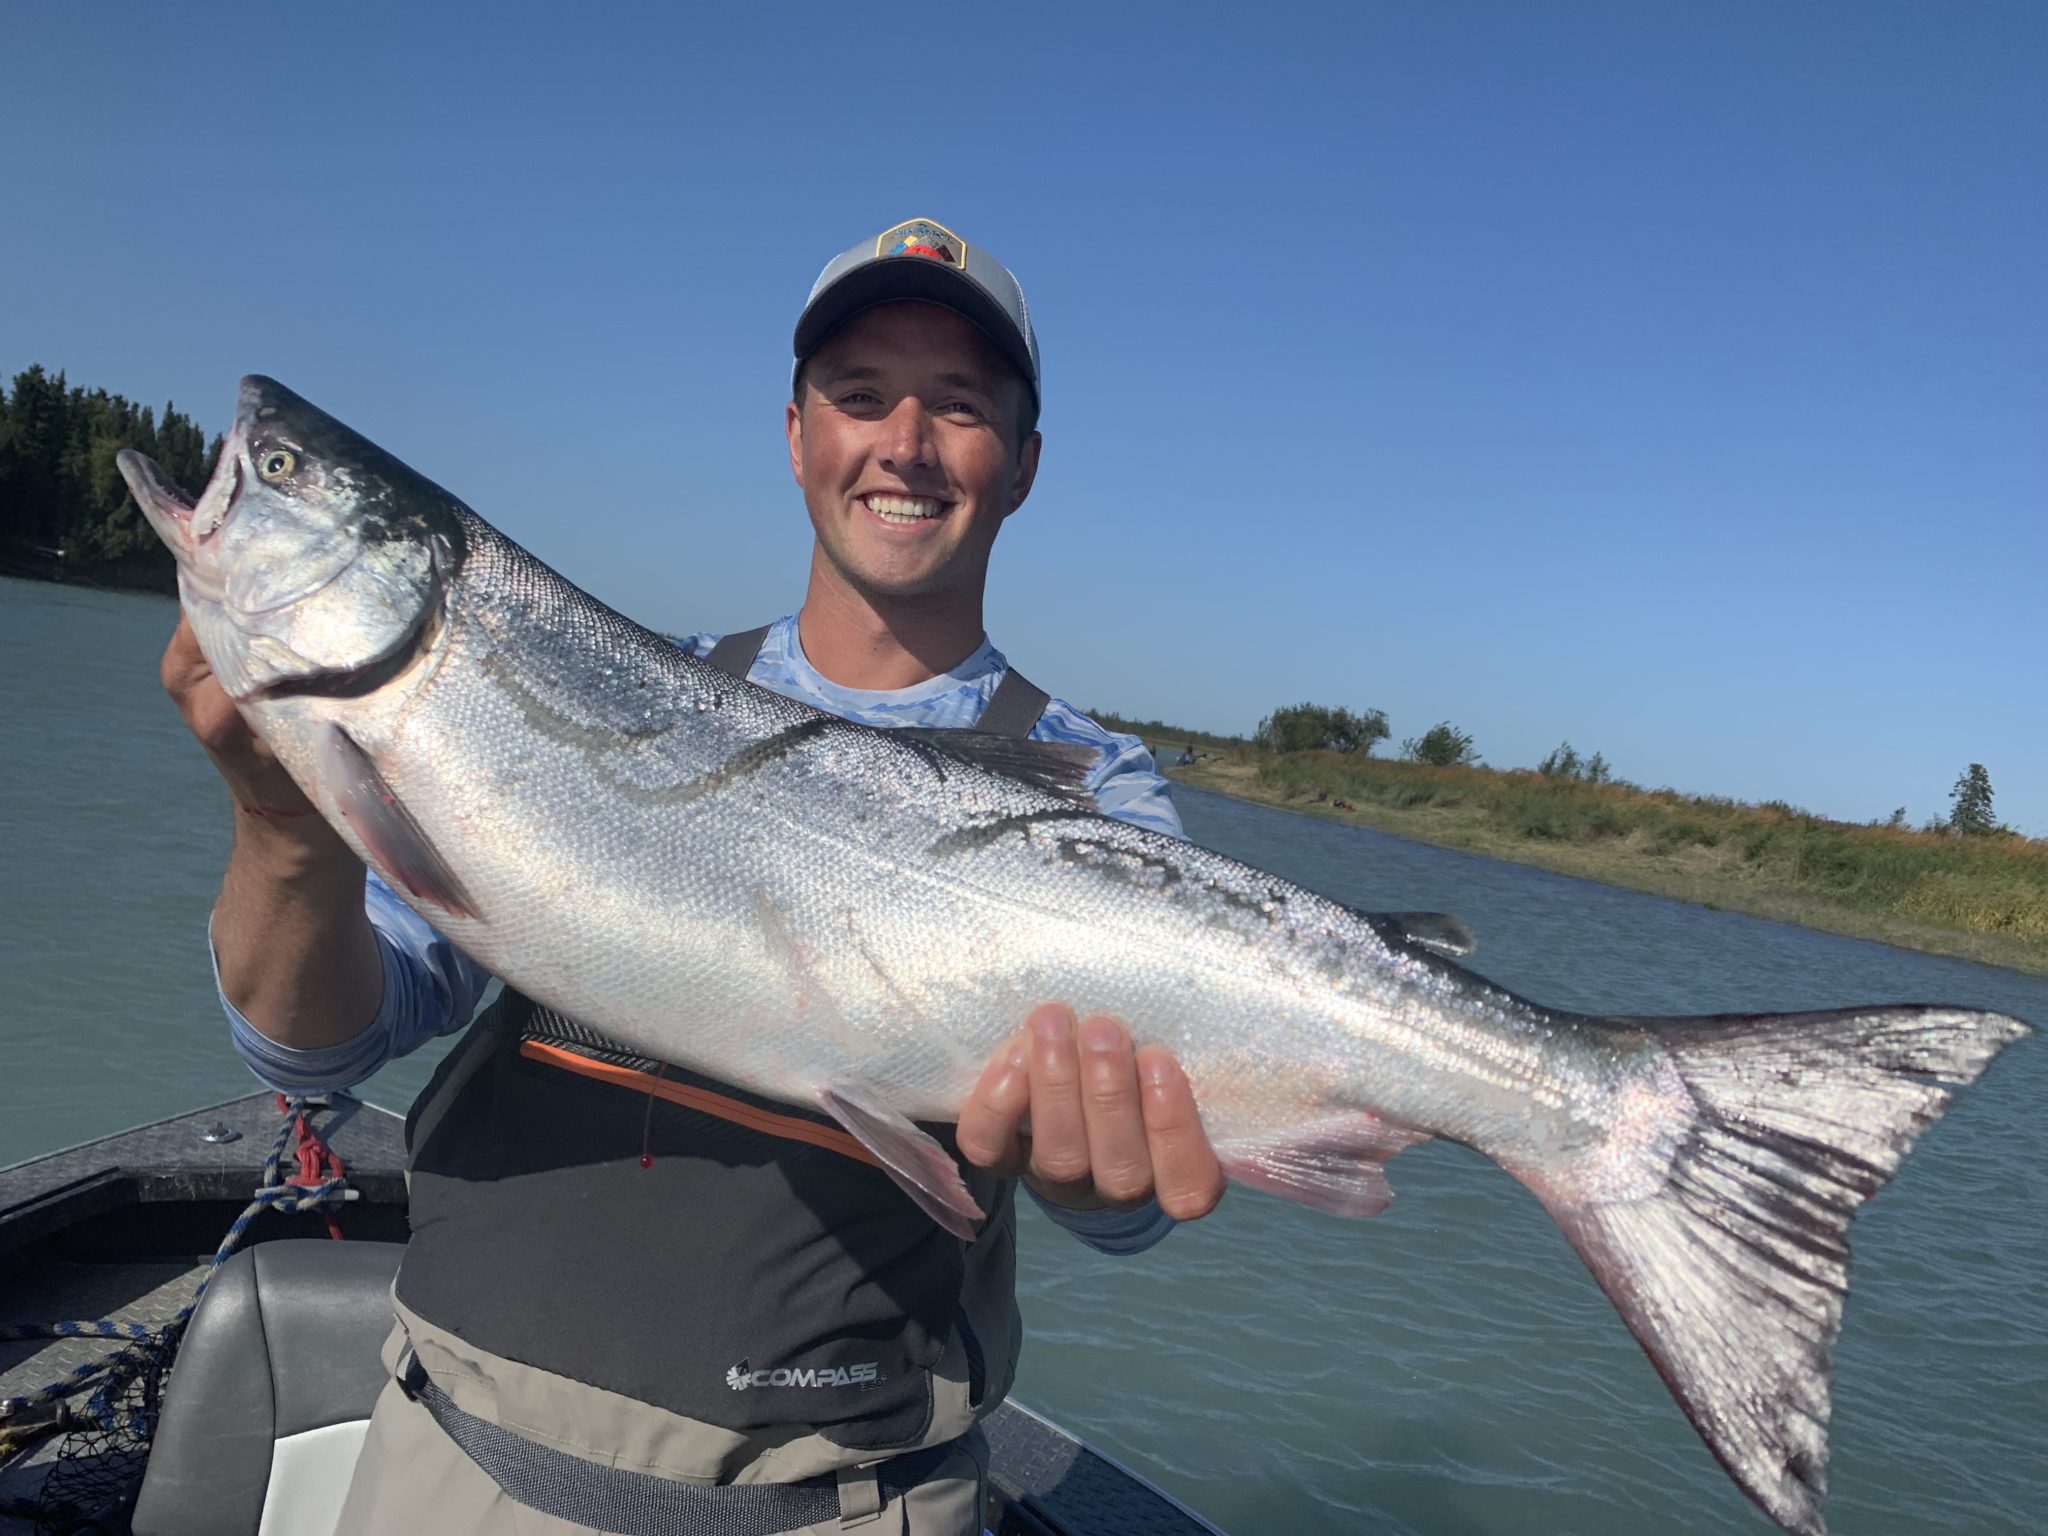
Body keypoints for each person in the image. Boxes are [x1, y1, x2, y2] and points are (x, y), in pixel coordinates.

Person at [161, 216, 1226, 1536]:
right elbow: (311, 1056)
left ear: (1022, 466)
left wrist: (1094, 1178)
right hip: (456, 1463)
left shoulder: (1100, 790)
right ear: (796, 438)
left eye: (958, 406)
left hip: (842, 1507)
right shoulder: (597, 677)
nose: (904, 441)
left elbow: (1133, 1217)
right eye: (859, 396)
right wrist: (281, 827)